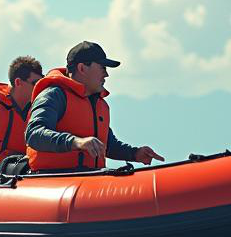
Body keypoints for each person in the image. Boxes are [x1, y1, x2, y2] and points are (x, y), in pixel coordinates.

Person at [25, 41, 164, 172]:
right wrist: (76, 142)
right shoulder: (54, 95)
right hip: (55, 183)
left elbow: (107, 146)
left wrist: (135, 154)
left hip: (90, 183)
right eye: (102, 67)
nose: (107, 74)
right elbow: (34, 134)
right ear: (82, 68)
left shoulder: (99, 104)